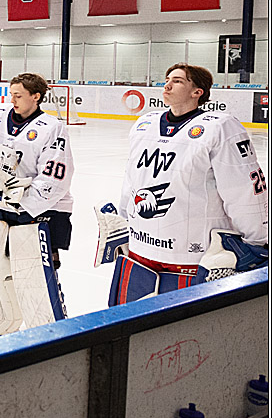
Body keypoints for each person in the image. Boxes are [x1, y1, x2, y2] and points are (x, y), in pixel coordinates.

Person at [97, 63, 268, 305]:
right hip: (139, 253)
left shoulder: (220, 127)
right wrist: (125, 220)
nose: (167, 84)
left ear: (197, 91)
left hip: (192, 258)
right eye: (167, 79)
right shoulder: (145, 124)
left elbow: (243, 190)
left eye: (177, 80)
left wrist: (257, 239)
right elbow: (132, 179)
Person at [0, 72, 75, 340]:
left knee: (33, 282)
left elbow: (56, 178)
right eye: (10, 93)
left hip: (37, 215)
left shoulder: (52, 128)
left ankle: (48, 334)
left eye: (19, 95)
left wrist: (15, 195)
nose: (11, 99)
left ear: (36, 97)